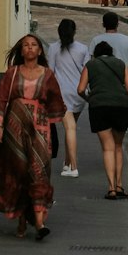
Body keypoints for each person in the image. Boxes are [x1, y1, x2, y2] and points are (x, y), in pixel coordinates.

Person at [0, 33, 66, 240]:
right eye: (26, 45)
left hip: (39, 128)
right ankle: (23, 217)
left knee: (39, 171)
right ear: (21, 50)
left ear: (40, 51)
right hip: (15, 127)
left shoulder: (48, 75)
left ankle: (40, 223)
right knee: (19, 171)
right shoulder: (12, 73)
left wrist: (57, 126)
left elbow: (55, 102)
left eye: (34, 45)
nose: (30, 48)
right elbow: (2, 99)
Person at [78, 40, 128, 199]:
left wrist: (89, 99)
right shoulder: (121, 64)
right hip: (120, 106)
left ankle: (111, 189)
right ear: (111, 53)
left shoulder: (90, 65)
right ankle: (120, 185)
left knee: (108, 148)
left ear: (97, 54)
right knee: (118, 147)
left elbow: (80, 89)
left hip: (99, 107)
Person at [46, 18, 90, 177]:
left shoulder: (53, 48)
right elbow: (87, 71)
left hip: (62, 94)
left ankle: (74, 168)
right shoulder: (83, 49)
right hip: (79, 94)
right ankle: (67, 163)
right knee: (70, 128)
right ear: (74, 31)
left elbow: (50, 72)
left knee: (69, 128)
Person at [89, 11, 128, 93]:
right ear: (117, 24)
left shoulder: (96, 41)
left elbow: (92, 65)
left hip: (102, 85)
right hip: (123, 84)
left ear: (103, 25)